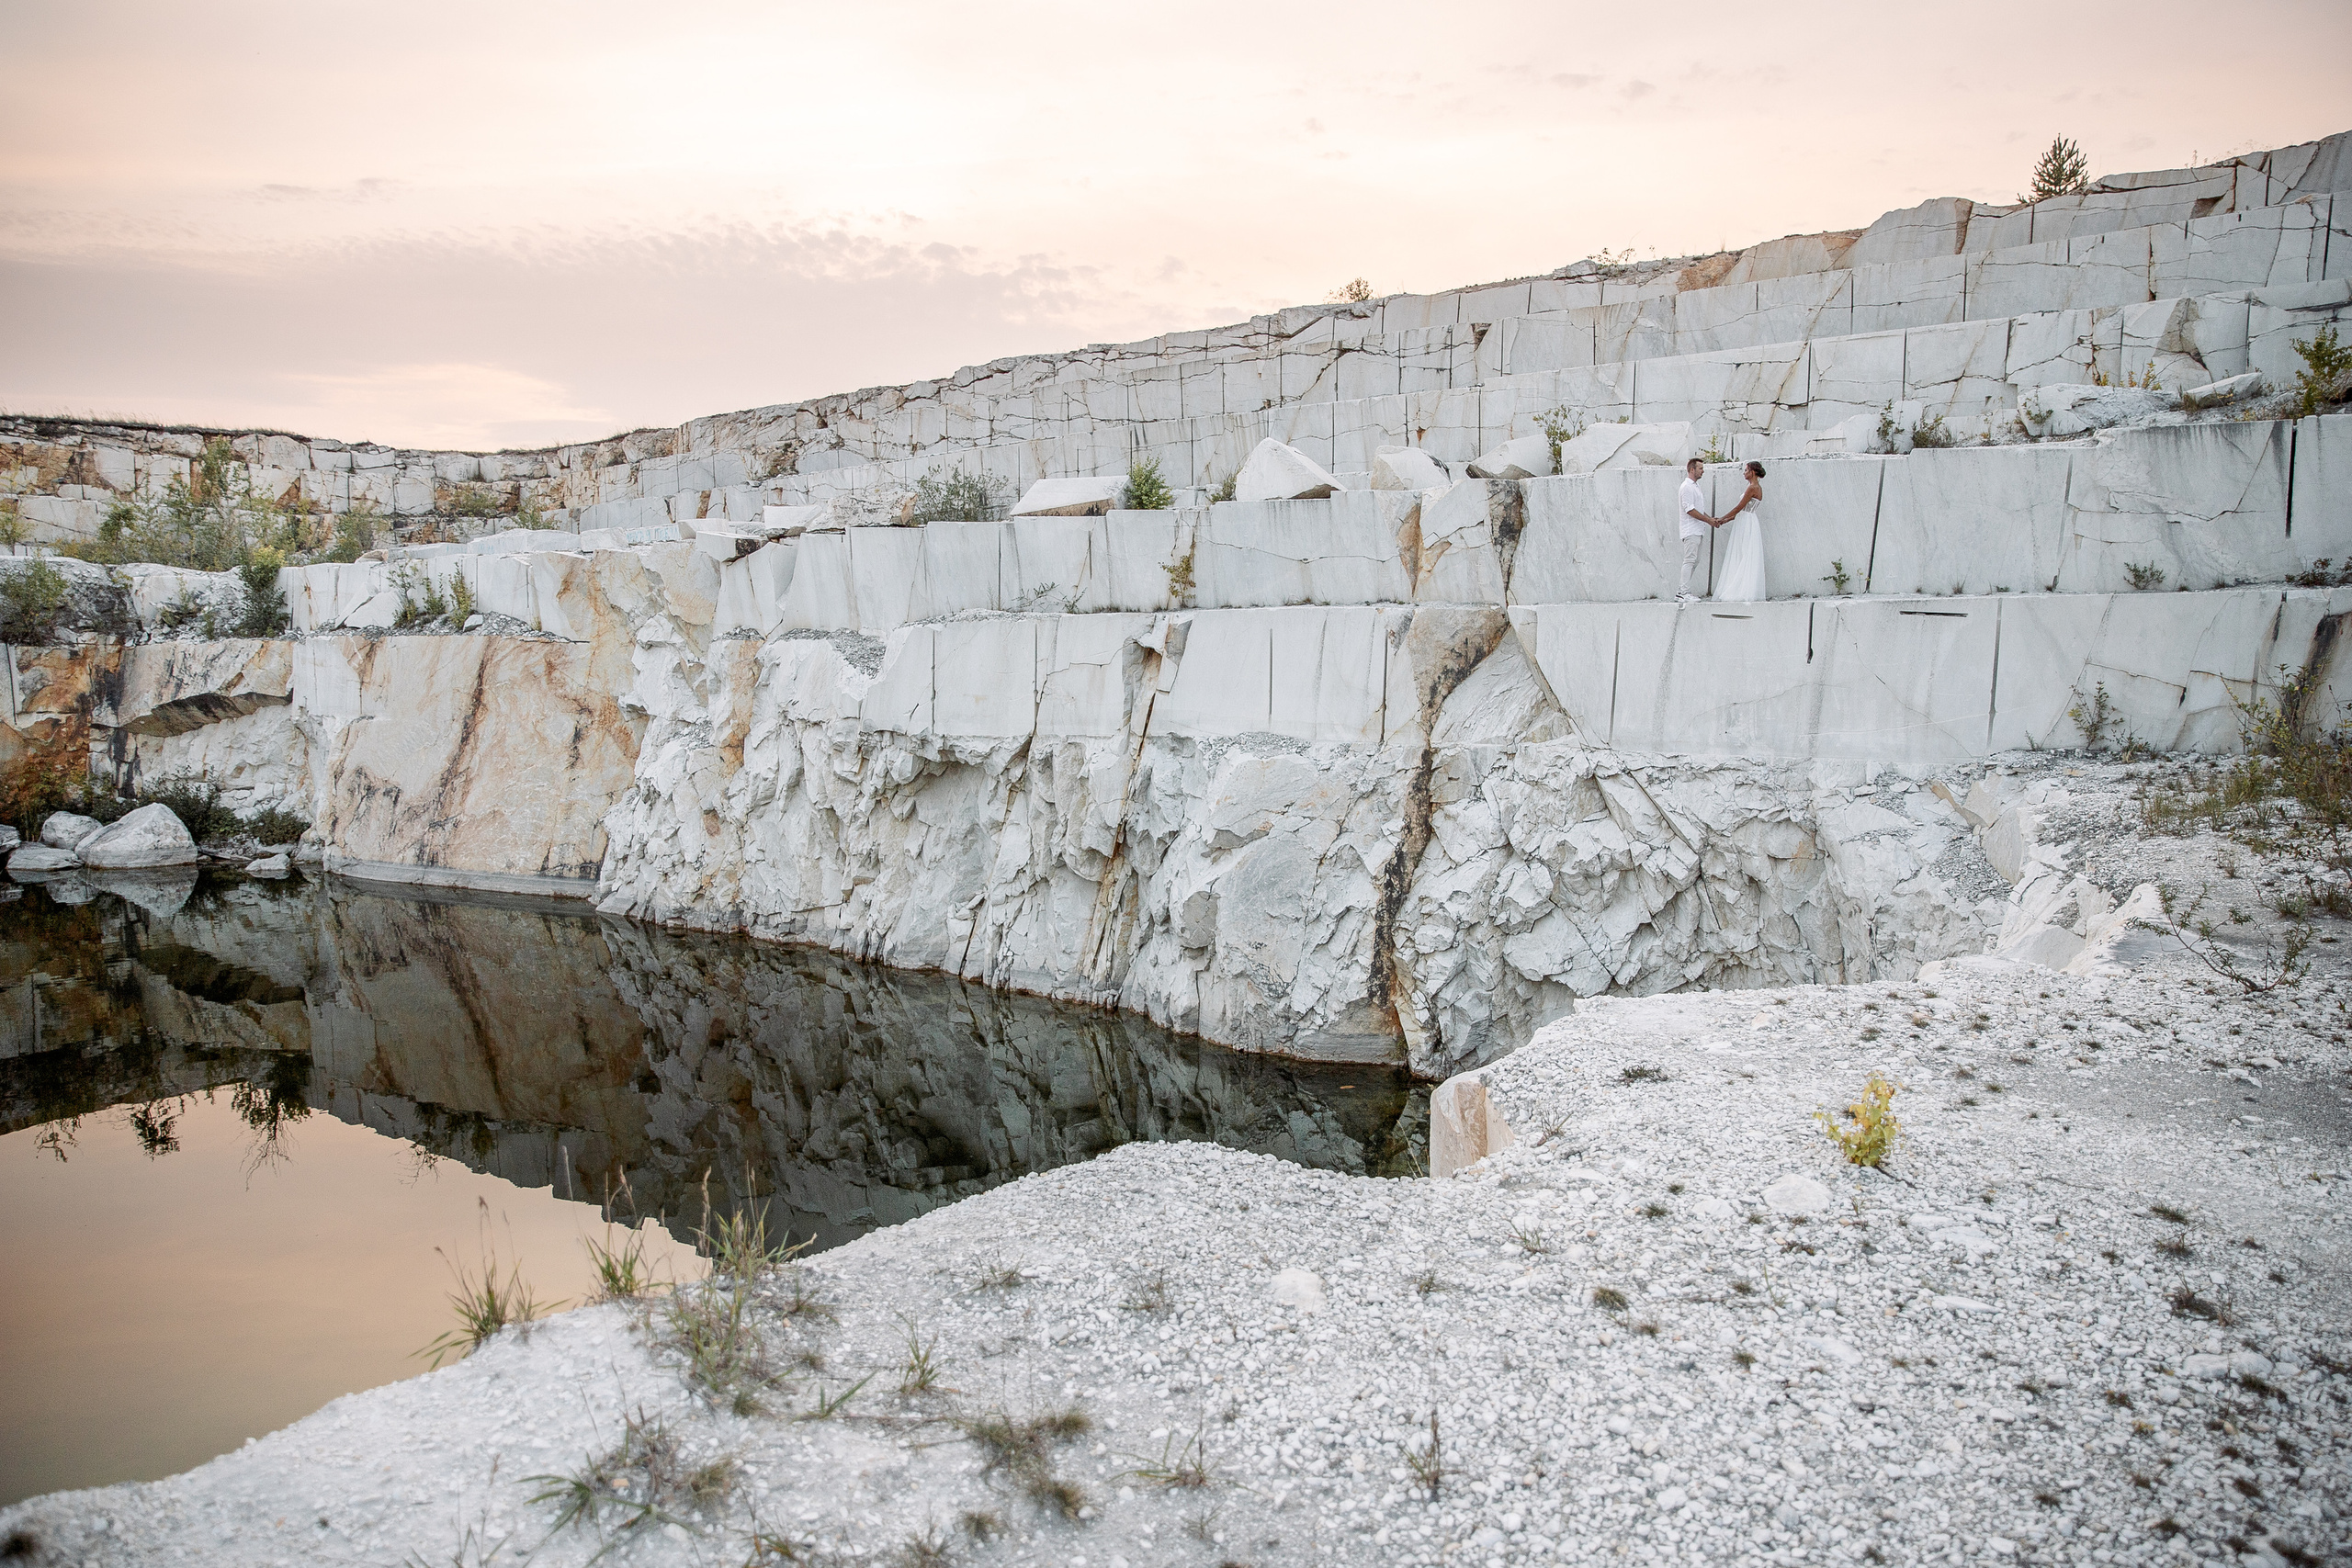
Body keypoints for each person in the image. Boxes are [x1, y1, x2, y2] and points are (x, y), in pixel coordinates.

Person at [1712, 461, 1768, 604]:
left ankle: (1741, 589)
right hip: (1747, 520)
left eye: (1746, 470)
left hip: (1746, 522)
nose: (1744, 473)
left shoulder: (1753, 488)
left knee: (1744, 553)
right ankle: (1741, 586)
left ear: (1753, 472)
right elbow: (1741, 511)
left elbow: (1739, 508)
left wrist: (1722, 517)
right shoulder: (1755, 487)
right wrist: (1725, 520)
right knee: (1743, 552)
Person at [1675, 457, 1716, 601]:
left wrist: (1710, 520)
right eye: (1700, 468)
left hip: (1698, 530)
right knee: (1689, 560)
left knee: (1695, 561)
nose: (1703, 471)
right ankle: (1683, 592)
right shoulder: (1686, 487)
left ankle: (1682, 590)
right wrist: (1708, 520)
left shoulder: (1695, 487)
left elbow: (1698, 509)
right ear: (1692, 469)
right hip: (1690, 530)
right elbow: (1690, 510)